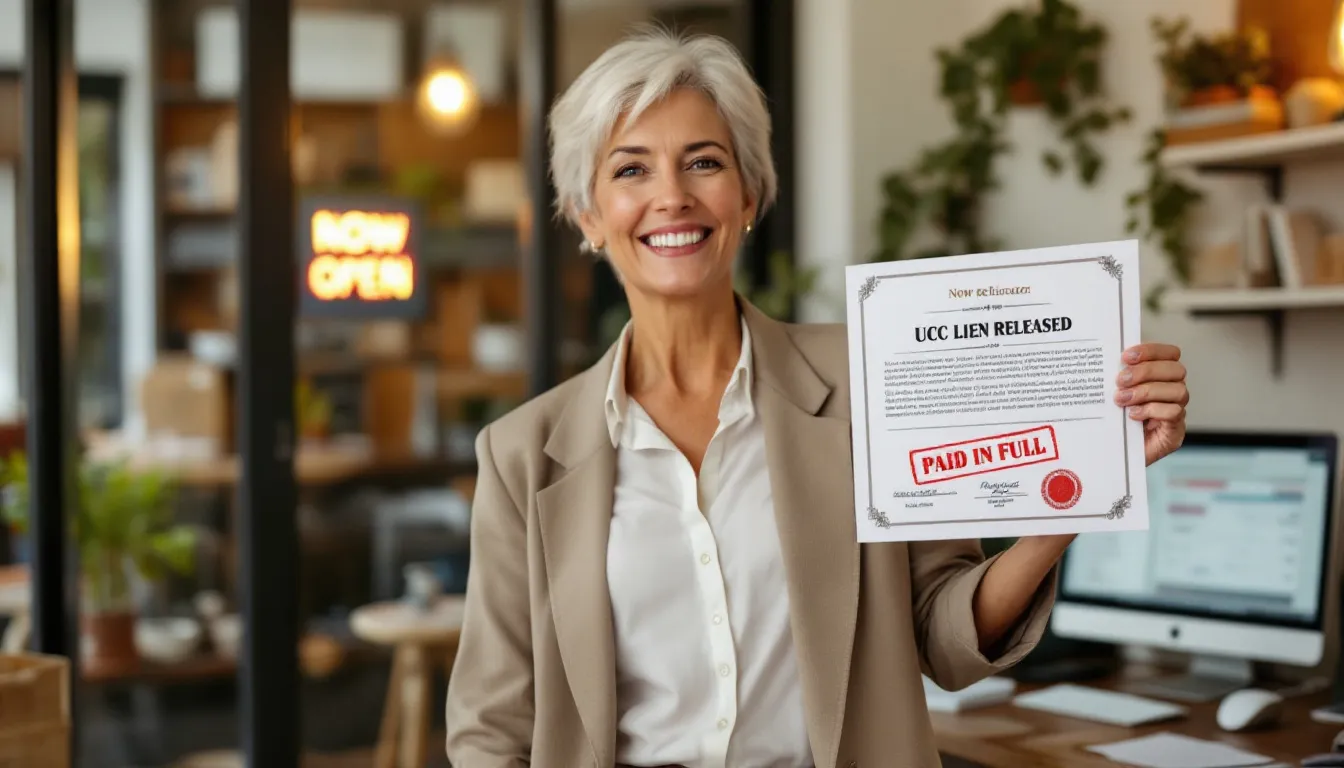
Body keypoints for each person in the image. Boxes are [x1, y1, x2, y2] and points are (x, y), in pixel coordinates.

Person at [445, 27, 1190, 768]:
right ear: (589, 215)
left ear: (749, 194)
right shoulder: (520, 455)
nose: (671, 197)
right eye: (631, 171)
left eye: (703, 162)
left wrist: (1082, 491)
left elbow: (946, 641)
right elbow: (491, 729)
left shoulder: (869, 380)